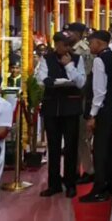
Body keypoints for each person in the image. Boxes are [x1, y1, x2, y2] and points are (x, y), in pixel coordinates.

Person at [35, 31, 86, 198]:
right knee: (53, 147)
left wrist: (68, 66)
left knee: (71, 147)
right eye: (63, 44)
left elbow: (81, 82)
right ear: (56, 44)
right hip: (51, 107)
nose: (67, 47)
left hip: (70, 108)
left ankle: (70, 183)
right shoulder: (46, 59)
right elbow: (40, 78)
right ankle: (54, 183)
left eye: (69, 44)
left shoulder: (77, 59)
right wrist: (50, 81)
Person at [80, 31, 112, 203]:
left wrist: (92, 115)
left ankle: (100, 188)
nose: (90, 47)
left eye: (91, 44)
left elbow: (99, 91)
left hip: (103, 111)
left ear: (99, 43)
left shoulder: (100, 60)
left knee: (100, 150)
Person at [67, 22, 95, 184]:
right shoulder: (69, 48)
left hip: (82, 96)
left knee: (82, 136)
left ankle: (88, 170)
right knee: (73, 137)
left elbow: (87, 76)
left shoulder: (84, 50)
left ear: (78, 33)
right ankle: (75, 170)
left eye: (70, 32)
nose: (68, 35)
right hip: (71, 96)